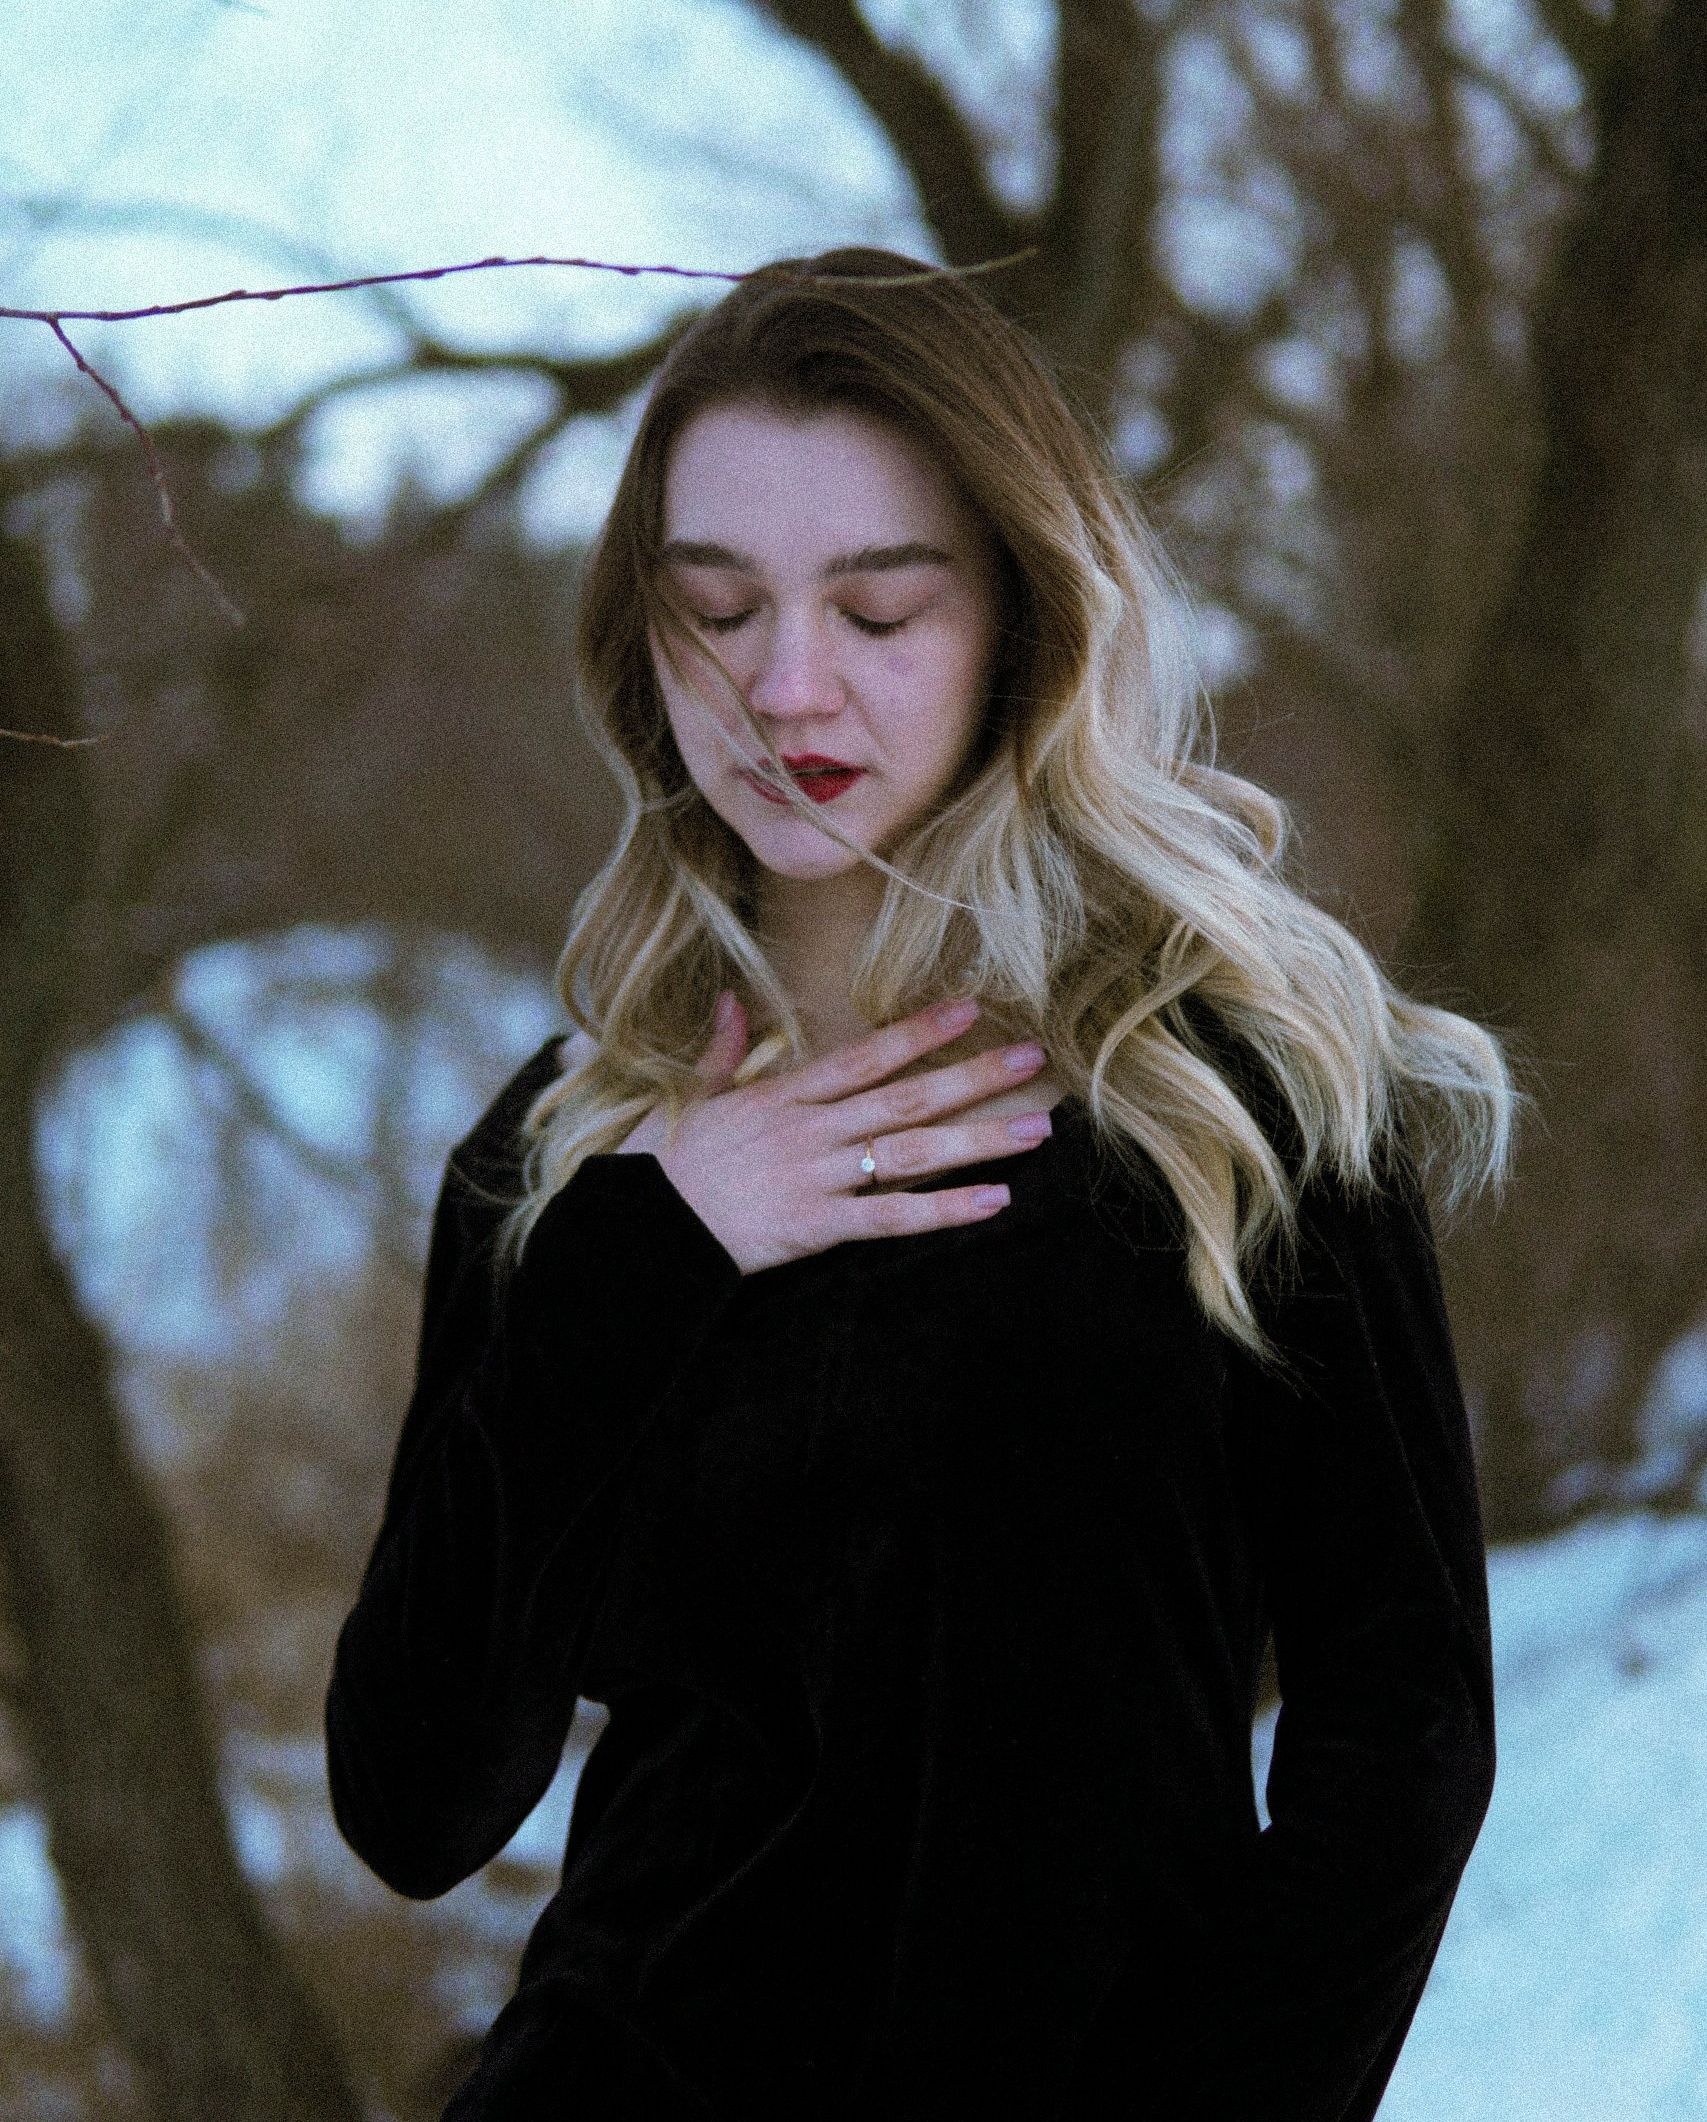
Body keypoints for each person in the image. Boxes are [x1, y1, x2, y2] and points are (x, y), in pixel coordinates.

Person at [325, 249, 1513, 2120]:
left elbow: (1405, 1737)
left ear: (1021, 621)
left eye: (880, 609)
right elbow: (413, 1803)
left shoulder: (1228, 1101)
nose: (785, 687)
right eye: (717, 609)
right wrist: (661, 1244)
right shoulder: (567, 1157)